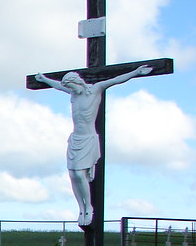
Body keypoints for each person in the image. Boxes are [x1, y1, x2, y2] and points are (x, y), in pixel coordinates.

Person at [35, 64, 152, 226]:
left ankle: (88, 207)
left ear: (78, 82)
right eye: (69, 88)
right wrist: (44, 79)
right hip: (75, 139)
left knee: (79, 174)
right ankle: (81, 208)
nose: (71, 90)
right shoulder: (73, 93)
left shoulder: (95, 89)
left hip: (88, 139)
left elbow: (116, 80)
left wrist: (136, 72)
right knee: (72, 175)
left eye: (72, 86)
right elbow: (57, 86)